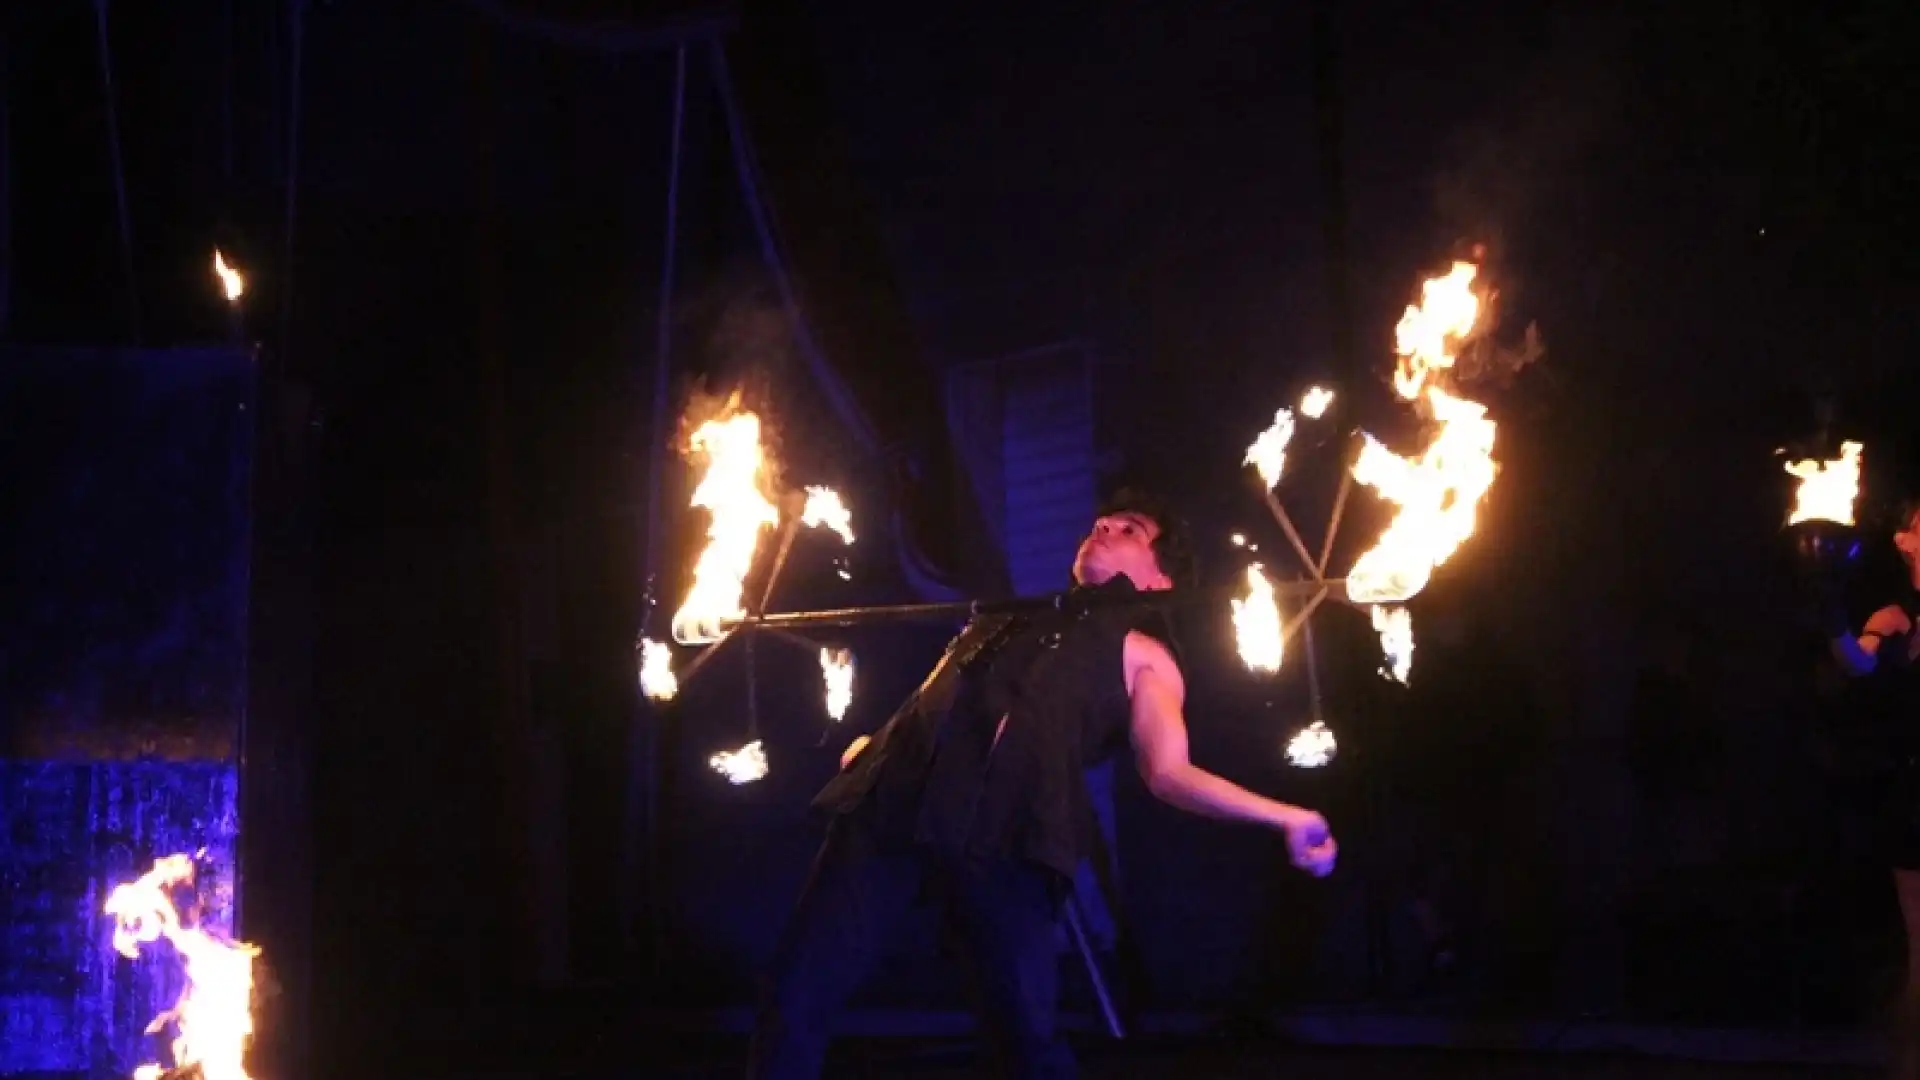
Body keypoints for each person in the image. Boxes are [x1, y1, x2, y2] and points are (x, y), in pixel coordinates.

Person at [746, 488, 1338, 1079]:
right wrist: (875, 743)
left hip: (1010, 830)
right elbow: (935, 702)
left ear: (1161, 580)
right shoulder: (1002, 618)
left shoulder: (1145, 653)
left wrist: (1283, 816)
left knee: (1025, 1039)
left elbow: (1168, 773)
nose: (1102, 529)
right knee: (797, 992)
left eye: (1128, 529)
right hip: (893, 802)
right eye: (1100, 522)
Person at [1825, 500, 1920, 1076]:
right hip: (1912, 794)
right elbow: (1853, 667)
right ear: (1906, 543)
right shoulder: (1890, 616)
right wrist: (1832, 614)